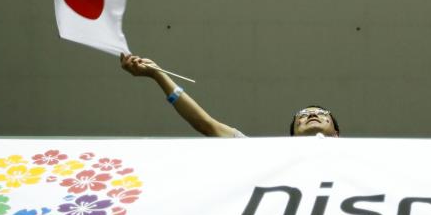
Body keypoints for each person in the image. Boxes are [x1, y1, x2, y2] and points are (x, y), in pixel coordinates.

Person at [120, 54, 340, 138]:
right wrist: (158, 76)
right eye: (302, 114)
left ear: (337, 133)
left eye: (321, 113)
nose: (312, 114)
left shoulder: (360, 158)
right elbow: (206, 125)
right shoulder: (268, 156)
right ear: (291, 135)